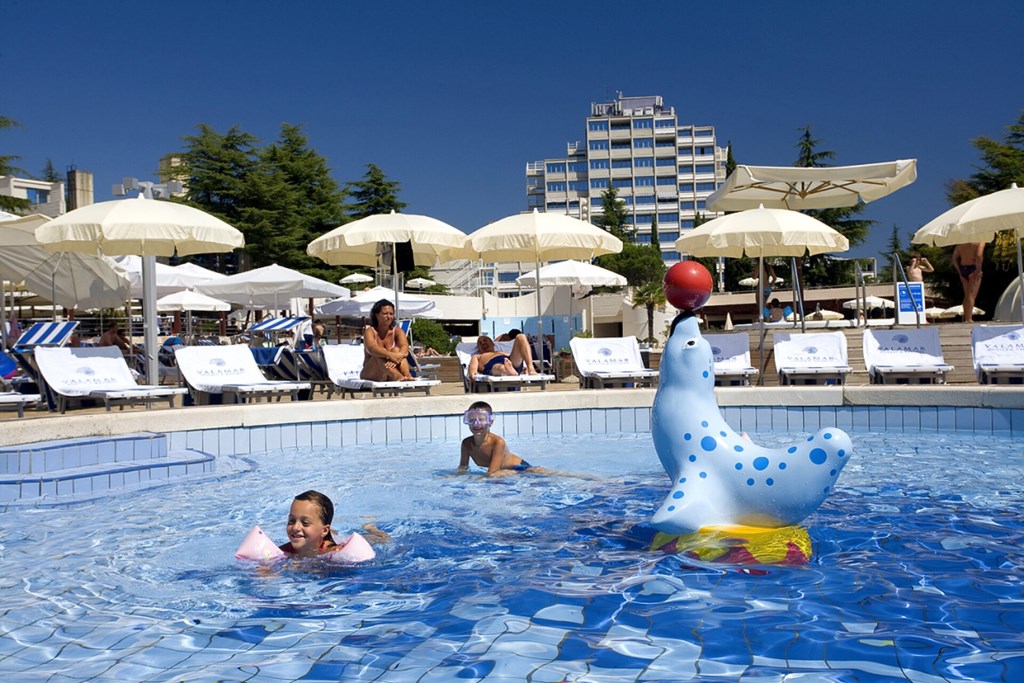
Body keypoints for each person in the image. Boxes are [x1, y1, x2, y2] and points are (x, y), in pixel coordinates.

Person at [279, 490, 389, 559]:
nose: (295, 527)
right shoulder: (284, 551)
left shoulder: (335, 553)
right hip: (321, 536)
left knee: (381, 539)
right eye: (291, 521)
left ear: (324, 530)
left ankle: (370, 527)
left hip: (336, 541)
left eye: (305, 523)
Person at [458, 401, 537, 477]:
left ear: (490, 422)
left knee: (543, 474)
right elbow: (463, 469)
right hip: (501, 472)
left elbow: (492, 473)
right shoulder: (466, 443)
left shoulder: (498, 442)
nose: (476, 424)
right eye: (471, 420)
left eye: (481, 419)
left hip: (521, 468)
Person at [361, 299, 414, 381]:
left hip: (389, 373)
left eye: (391, 314)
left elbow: (405, 349)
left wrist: (396, 358)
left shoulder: (397, 331)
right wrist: (390, 355)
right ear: (376, 315)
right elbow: (371, 348)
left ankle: (407, 375)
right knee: (378, 353)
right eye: (385, 314)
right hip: (372, 373)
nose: (389, 317)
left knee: (397, 350)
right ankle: (398, 376)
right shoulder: (370, 331)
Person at [468, 331, 539, 386]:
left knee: (521, 336)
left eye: (485, 340)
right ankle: (509, 371)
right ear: (479, 348)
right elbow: (473, 368)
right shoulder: (477, 356)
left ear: (493, 343)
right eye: (480, 343)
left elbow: (516, 356)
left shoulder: (502, 352)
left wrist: (524, 368)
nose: (483, 343)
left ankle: (531, 368)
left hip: (509, 361)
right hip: (491, 365)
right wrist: (472, 372)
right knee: (499, 367)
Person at [952, 242, 985, 323]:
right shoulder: (980, 241)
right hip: (973, 268)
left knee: (967, 295)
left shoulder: (961, 243)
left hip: (963, 268)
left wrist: (959, 271)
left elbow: (954, 258)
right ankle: (969, 318)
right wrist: (978, 270)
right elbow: (979, 255)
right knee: (971, 295)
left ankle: (967, 317)